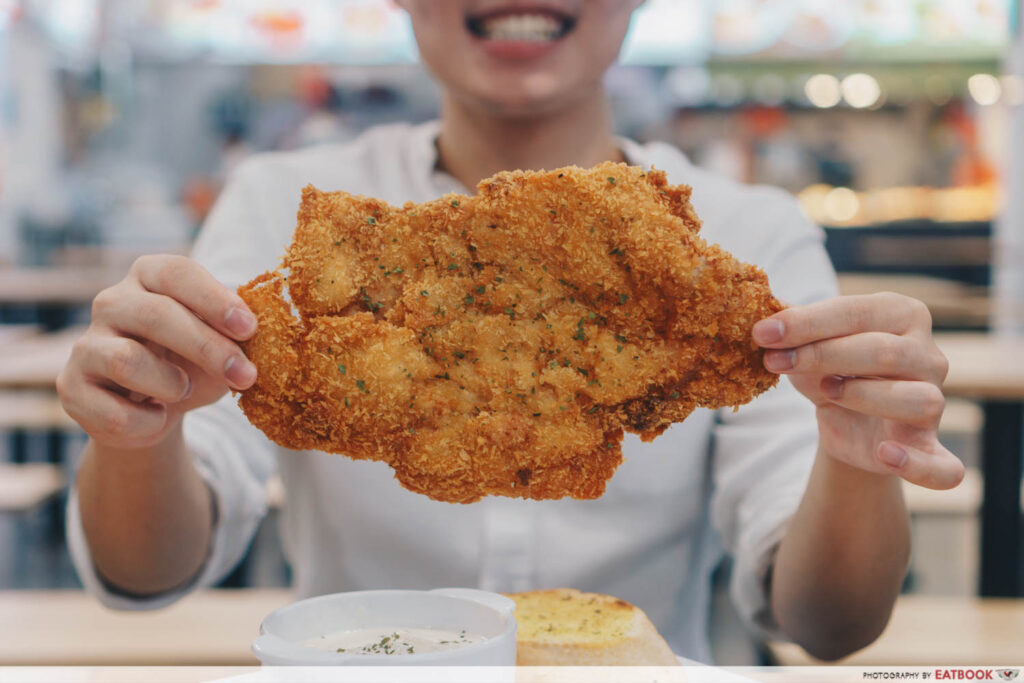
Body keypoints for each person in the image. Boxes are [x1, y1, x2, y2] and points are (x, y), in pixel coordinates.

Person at [57, 1, 962, 663]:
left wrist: (852, 452)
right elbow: (147, 575)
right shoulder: (281, 214)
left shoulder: (744, 244)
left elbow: (829, 622)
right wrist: (140, 424)